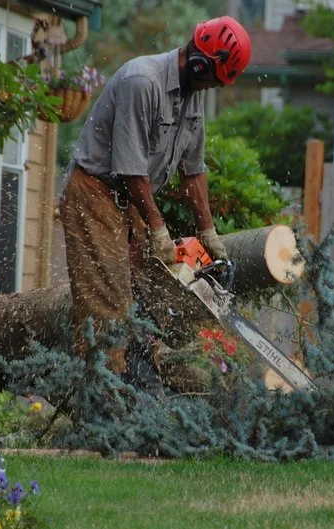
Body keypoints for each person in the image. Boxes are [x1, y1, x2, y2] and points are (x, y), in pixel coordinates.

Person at [59, 16, 252, 395]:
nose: (212, 87)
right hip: (95, 194)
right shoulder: (141, 81)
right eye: (214, 79)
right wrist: (159, 228)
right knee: (108, 305)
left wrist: (208, 232)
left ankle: (152, 393)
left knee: (155, 291)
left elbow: (193, 172)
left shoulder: (192, 99)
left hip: (130, 201)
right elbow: (131, 169)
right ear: (201, 63)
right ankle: (101, 406)